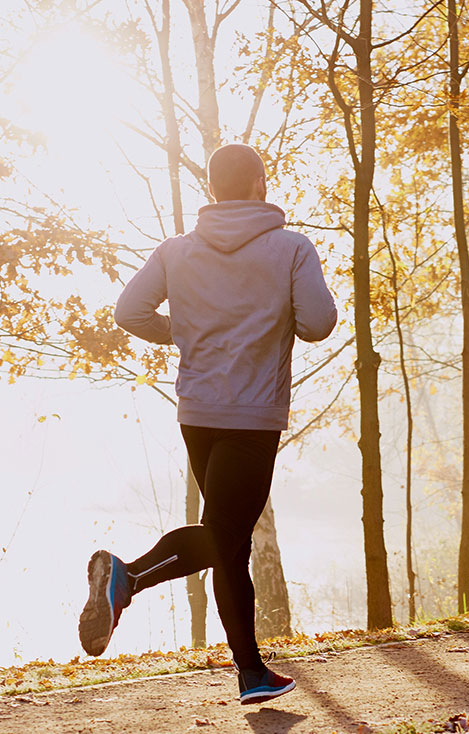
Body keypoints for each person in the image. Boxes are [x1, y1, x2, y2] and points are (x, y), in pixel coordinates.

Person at [77, 143, 338, 705]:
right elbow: (318, 322)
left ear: (214, 190)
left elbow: (129, 313)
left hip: (197, 411)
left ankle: (250, 672)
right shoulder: (291, 248)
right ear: (260, 185)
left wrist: (193, 331)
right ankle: (131, 579)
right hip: (252, 414)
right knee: (227, 535)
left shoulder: (177, 251)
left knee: (227, 538)